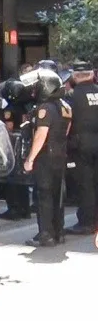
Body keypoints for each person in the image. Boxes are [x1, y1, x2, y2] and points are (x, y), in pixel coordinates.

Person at [23, 69, 72, 247]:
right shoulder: (66, 107)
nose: (34, 91)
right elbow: (65, 132)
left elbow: (40, 135)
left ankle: (45, 234)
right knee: (57, 195)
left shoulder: (44, 109)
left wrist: (30, 159)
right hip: (60, 155)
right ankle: (58, 232)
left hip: (45, 157)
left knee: (43, 196)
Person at [66, 61, 98, 235]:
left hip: (81, 146)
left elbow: (67, 123)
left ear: (75, 76)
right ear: (91, 74)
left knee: (85, 185)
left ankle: (86, 222)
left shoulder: (72, 96)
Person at [0, 80, 33, 221]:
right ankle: (25, 208)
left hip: (13, 144)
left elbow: (9, 128)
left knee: (11, 178)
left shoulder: (9, 109)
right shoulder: (26, 107)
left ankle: (14, 209)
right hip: (24, 142)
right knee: (22, 178)